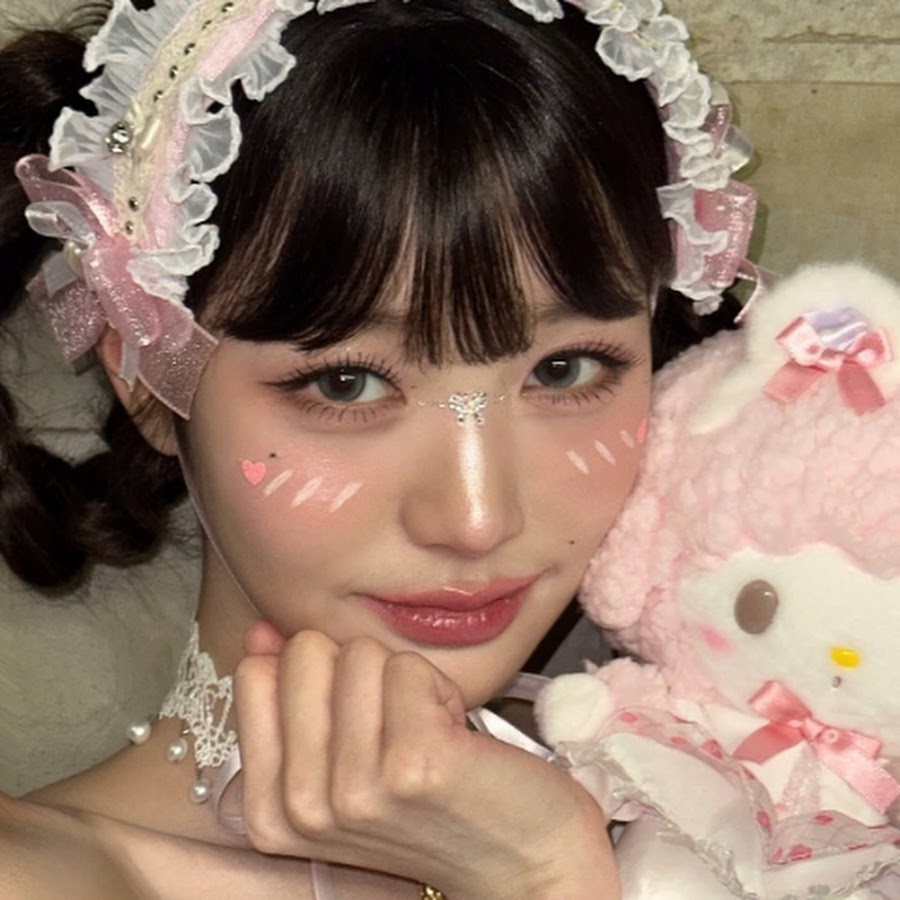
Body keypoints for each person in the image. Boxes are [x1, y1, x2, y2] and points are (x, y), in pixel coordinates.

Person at [0, 0, 756, 896]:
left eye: (564, 370)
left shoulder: (774, 813)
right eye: (347, 384)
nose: (476, 519)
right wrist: (541, 876)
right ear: (146, 381)